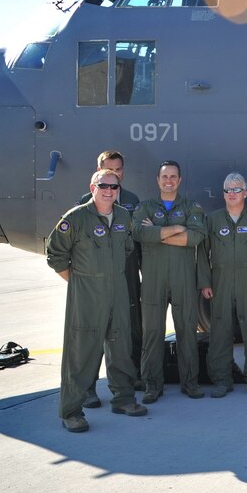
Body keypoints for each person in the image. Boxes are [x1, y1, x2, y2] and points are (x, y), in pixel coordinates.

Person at [47, 170, 146, 432]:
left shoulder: (124, 216)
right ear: (93, 187)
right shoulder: (76, 217)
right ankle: (71, 411)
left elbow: (126, 249)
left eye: (114, 186)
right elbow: (55, 253)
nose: (109, 191)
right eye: (103, 185)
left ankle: (123, 399)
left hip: (118, 292)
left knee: (121, 347)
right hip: (87, 295)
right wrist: (80, 282)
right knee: (80, 354)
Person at [132, 161, 207, 401]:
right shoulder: (144, 207)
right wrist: (176, 227)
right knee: (152, 333)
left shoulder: (191, 206)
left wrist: (157, 234)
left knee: (187, 331)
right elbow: (139, 233)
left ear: (180, 180)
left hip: (183, 279)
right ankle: (152, 384)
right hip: (154, 280)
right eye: (165, 176)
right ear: (157, 179)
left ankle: (190, 382)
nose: (169, 180)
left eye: (174, 176)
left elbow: (195, 236)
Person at [77, 150, 143, 406]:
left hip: (124, 274)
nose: (114, 176)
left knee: (125, 331)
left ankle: (128, 380)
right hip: (94, 280)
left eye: (118, 170)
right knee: (93, 334)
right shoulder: (84, 203)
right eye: (108, 170)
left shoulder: (130, 201)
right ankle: (88, 388)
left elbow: (133, 241)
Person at [200, 173, 247, 398]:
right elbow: (202, 253)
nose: (232, 194)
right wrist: (204, 282)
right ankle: (222, 379)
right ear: (223, 194)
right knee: (220, 330)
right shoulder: (212, 219)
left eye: (236, 189)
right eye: (228, 190)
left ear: (245, 193)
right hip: (220, 279)